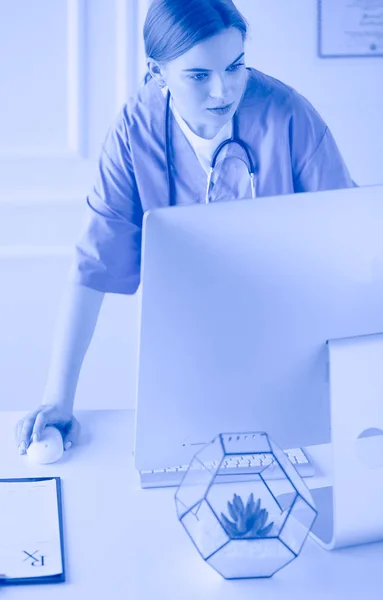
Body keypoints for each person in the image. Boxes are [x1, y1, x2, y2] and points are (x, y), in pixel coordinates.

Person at [15, 0, 356, 454]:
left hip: (297, 346)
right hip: (188, 353)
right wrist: (57, 399)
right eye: (199, 75)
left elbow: (351, 239)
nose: (223, 90)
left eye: (235, 67)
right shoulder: (135, 131)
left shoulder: (288, 115)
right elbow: (93, 266)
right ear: (158, 73)